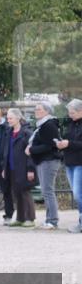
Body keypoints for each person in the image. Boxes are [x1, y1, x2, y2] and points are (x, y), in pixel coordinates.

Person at [27, 102, 62, 230]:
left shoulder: (49, 125)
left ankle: (53, 220)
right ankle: (49, 219)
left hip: (49, 160)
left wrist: (31, 150)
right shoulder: (42, 125)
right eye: (35, 108)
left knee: (48, 191)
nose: (36, 111)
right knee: (46, 191)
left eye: (39, 109)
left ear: (47, 111)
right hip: (43, 160)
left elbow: (50, 145)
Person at [5, 108, 37, 228]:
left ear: (18, 118)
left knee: (25, 192)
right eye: (7, 118)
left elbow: (31, 153)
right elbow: (6, 151)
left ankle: (30, 218)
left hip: (23, 167)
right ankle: (20, 217)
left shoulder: (26, 133)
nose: (8, 120)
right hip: (12, 167)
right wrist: (4, 168)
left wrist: (30, 169)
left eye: (10, 118)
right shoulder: (9, 132)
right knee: (16, 192)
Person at [55, 99, 82, 234]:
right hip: (69, 162)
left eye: (72, 112)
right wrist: (61, 144)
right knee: (77, 194)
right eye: (69, 112)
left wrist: (69, 144)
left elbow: (75, 143)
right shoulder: (71, 124)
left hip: (80, 163)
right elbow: (67, 140)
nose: (70, 114)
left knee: (78, 194)